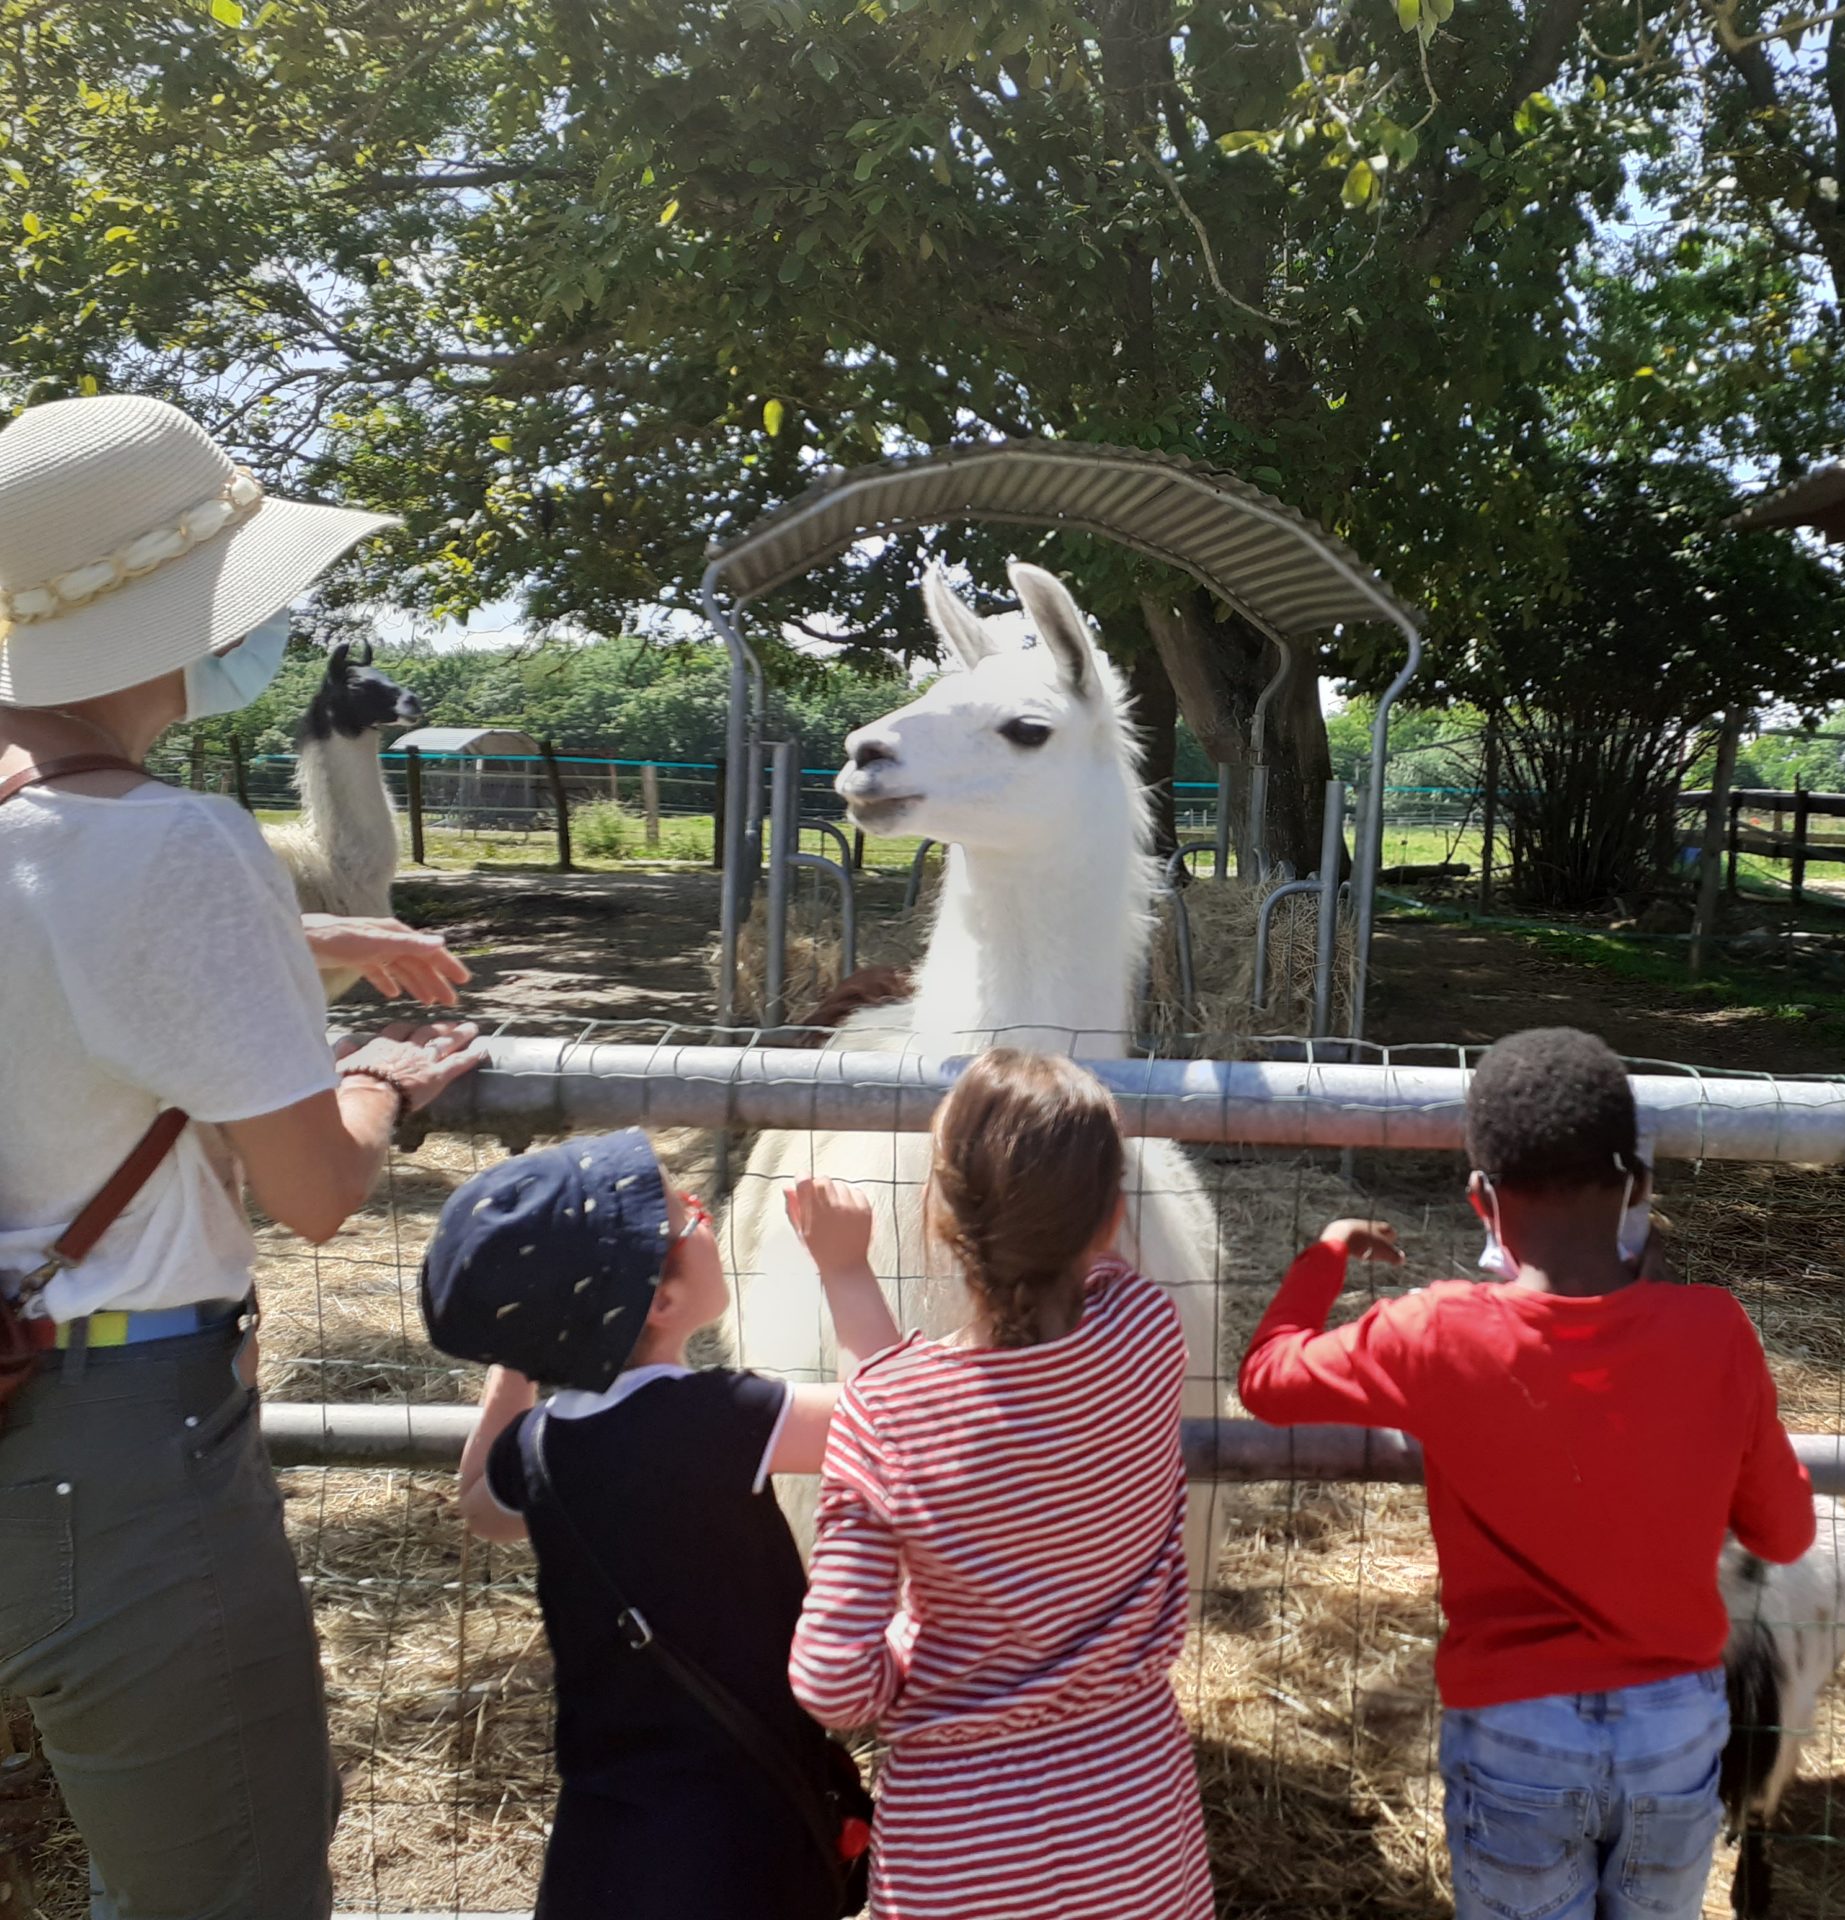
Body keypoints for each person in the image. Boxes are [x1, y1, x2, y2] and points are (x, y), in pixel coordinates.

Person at [0, 392, 485, 1920]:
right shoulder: (171, 842)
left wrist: (308, 928)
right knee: (224, 1879)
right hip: (102, 1439)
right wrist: (386, 1086)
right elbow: (315, 1197)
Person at [1237, 1026, 1818, 1920]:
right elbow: (1785, 1535)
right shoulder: (1717, 1333)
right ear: (1640, 1190)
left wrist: (1326, 1256)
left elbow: (1267, 1380)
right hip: (1674, 1730)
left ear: (1482, 1202)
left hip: (1515, 1735)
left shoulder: (1433, 1330)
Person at [788, 1049, 1214, 1920]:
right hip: (1134, 1811)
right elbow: (980, 1394)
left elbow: (832, 1682)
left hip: (959, 1844)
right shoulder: (1146, 1335)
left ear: (938, 1217)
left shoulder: (888, 1418)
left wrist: (843, 1270)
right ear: (1114, 1221)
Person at [432, 1129, 886, 1920]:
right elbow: (894, 1423)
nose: (703, 1215)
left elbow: (478, 1500)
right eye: (688, 1216)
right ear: (665, 1300)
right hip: (742, 1838)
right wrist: (845, 1269)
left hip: (605, 1840)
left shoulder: (541, 1445)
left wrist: (526, 1353)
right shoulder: (717, 1419)